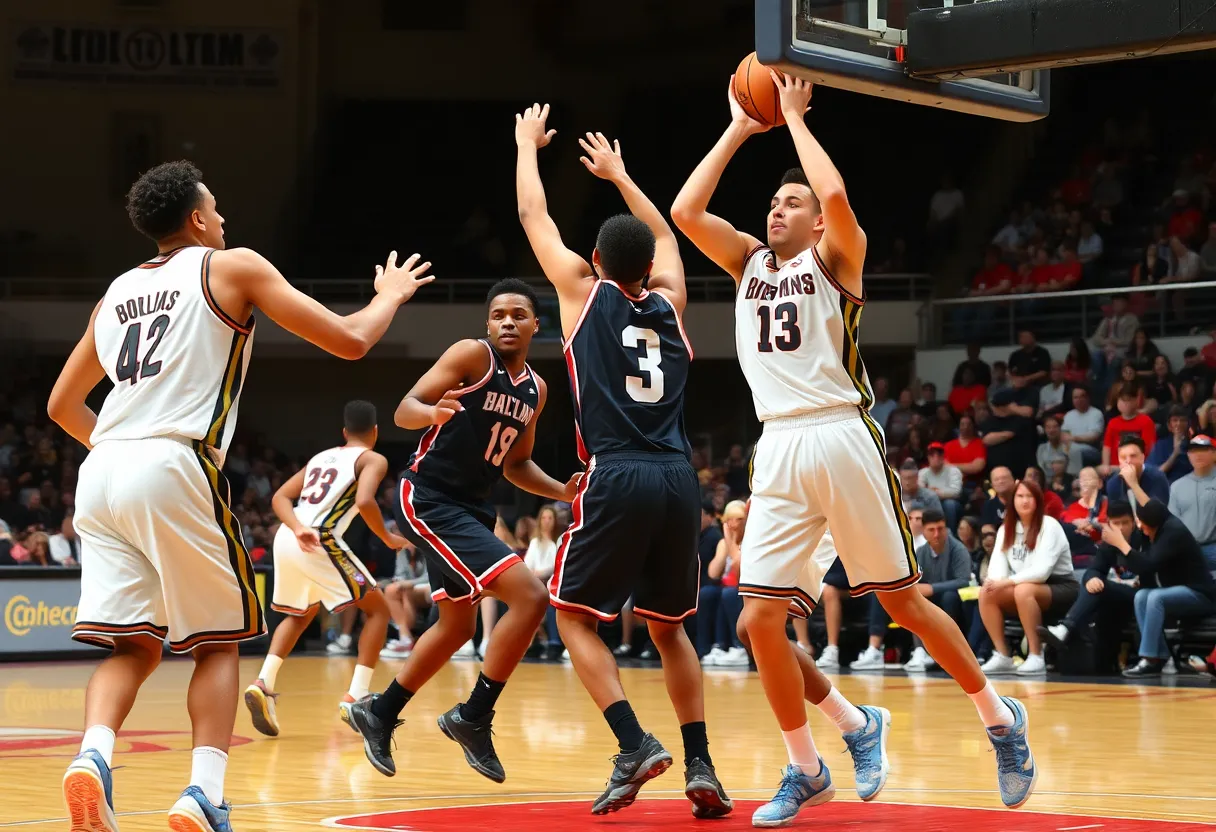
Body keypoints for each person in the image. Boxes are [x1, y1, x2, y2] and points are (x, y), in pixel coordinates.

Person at [672, 73, 1035, 823]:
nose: (778, 207)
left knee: (902, 603)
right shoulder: (747, 264)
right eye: (774, 201)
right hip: (776, 447)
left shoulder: (836, 260)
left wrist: (797, 120)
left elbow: (835, 201)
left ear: (812, 226)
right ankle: (809, 764)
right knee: (758, 622)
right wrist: (742, 127)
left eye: (790, 202)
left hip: (841, 432)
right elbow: (685, 210)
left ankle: (1001, 720)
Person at [48, 161, 434, 831]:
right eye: (217, 210)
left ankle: (92, 757)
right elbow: (350, 340)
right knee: (218, 645)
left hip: (103, 467)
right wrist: (392, 294)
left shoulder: (113, 293)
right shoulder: (230, 267)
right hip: (172, 459)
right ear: (197, 219)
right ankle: (203, 794)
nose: (225, 220)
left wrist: (125, 454)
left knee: (133, 647)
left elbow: (61, 405)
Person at [515, 107, 732, 818]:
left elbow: (531, 213)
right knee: (670, 629)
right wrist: (621, 176)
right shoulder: (672, 305)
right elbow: (667, 234)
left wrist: (526, 146)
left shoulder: (581, 295)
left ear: (599, 263)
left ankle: (632, 741)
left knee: (572, 617)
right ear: (647, 268)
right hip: (678, 476)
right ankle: (700, 762)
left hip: (616, 471)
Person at [347, 279, 577, 785]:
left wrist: (563, 492)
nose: (508, 322)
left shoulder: (536, 389)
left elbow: (516, 464)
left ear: (537, 325)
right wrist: (433, 412)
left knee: (455, 628)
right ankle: (473, 715)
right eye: (498, 315)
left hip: (472, 508)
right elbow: (405, 408)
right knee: (532, 598)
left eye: (519, 314)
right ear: (488, 325)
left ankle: (379, 713)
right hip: (429, 497)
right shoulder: (471, 356)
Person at [244, 401, 405, 738]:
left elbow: (279, 498)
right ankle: (357, 694)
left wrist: (297, 526)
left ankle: (264, 681)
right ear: (375, 432)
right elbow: (364, 501)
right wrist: (388, 538)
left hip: (290, 536)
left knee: (301, 613)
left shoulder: (321, 457)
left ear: (344, 433)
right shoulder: (374, 458)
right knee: (378, 610)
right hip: (320, 540)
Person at [1102, 500, 1216, 677]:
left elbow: (1149, 565)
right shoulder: (1159, 527)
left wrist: (1121, 544)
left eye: (1145, 526)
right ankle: (1160, 656)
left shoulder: (1174, 532)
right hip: (1178, 591)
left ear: (1154, 524)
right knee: (1141, 596)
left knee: (1156, 598)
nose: (1143, 530)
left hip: (1201, 594)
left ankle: (1148, 659)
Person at [979, 480, 1079, 675]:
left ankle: (1036, 656)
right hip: (1023, 586)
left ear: (1038, 500)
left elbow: (1042, 572)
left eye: (1029, 496)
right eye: (1020, 496)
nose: (1024, 501)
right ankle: (1003, 655)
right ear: (1012, 500)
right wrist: (996, 583)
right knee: (987, 592)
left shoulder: (1049, 525)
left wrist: (1006, 582)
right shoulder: (1005, 529)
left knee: (1023, 590)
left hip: (1061, 586)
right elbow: (996, 569)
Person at [855, 509, 972, 673]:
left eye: (941, 529)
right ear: (923, 532)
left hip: (955, 600)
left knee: (948, 597)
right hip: (928, 599)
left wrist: (932, 588)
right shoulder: (921, 552)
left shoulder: (958, 549)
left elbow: (964, 581)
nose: (937, 534)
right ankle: (904, 650)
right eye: (932, 530)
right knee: (889, 594)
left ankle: (946, 651)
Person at [1040, 499, 1141, 665]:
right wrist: (1092, 578)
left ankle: (1065, 628)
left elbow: (1148, 568)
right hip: (1120, 593)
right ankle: (1067, 635)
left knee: (1101, 587)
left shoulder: (1143, 539)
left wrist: (1123, 546)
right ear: (1108, 524)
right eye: (1116, 523)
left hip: (1142, 594)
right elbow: (1093, 569)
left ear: (1134, 523)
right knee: (1093, 584)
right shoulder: (1109, 542)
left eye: (1125, 523)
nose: (1121, 528)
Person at [702, 500, 749, 667]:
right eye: (730, 519)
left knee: (728, 593)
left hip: (749, 589)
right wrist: (726, 543)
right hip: (731, 589)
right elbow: (713, 573)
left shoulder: (752, 540)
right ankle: (718, 646)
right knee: (710, 592)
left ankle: (739, 647)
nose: (734, 524)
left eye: (739, 519)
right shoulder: (723, 542)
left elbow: (738, 570)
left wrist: (731, 540)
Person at [1168, 435, 1216, 571]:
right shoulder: (1177, 486)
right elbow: (1173, 523)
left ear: (1214, 453)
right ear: (1188, 455)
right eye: (1193, 451)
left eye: (1203, 450)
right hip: (1187, 549)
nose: (1197, 455)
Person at [1105, 436, 1170, 514]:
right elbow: (1116, 518)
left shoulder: (1158, 477)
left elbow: (1156, 515)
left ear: (1142, 458)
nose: (1128, 461)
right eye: (1123, 457)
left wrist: (1133, 484)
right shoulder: (1113, 484)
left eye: (1133, 456)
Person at [1101, 386, 1157, 474]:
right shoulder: (1113, 422)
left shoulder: (1146, 421)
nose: (1125, 404)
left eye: (1128, 400)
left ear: (1136, 401)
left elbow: (1149, 448)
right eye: (1122, 400)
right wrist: (1105, 465)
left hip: (1138, 467)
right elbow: (1107, 447)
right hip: (1115, 467)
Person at [919, 443, 963, 530]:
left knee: (949, 504)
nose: (936, 457)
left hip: (951, 503)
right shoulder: (923, 472)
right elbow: (919, 491)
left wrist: (934, 492)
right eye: (932, 454)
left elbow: (956, 492)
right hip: (929, 502)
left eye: (939, 454)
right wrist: (933, 493)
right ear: (928, 457)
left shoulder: (953, 471)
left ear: (943, 456)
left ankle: (950, 533)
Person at [1147, 406, 1193, 483]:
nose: (1179, 423)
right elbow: (1155, 475)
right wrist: (1175, 454)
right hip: (1167, 485)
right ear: (1169, 425)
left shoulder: (1195, 444)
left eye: (1183, 420)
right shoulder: (1161, 445)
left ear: (1188, 424)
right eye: (1175, 420)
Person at [1061, 386, 1104, 466]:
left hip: (1091, 450)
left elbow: (1094, 437)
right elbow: (1064, 434)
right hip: (1070, 448)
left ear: (1088, 398)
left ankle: (1075, 475)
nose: (1078, 400)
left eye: (1082, 397)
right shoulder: (1069, 415)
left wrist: (1074, 438)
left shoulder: (1096, 413)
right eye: (1075, 397)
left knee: (1073, 451)